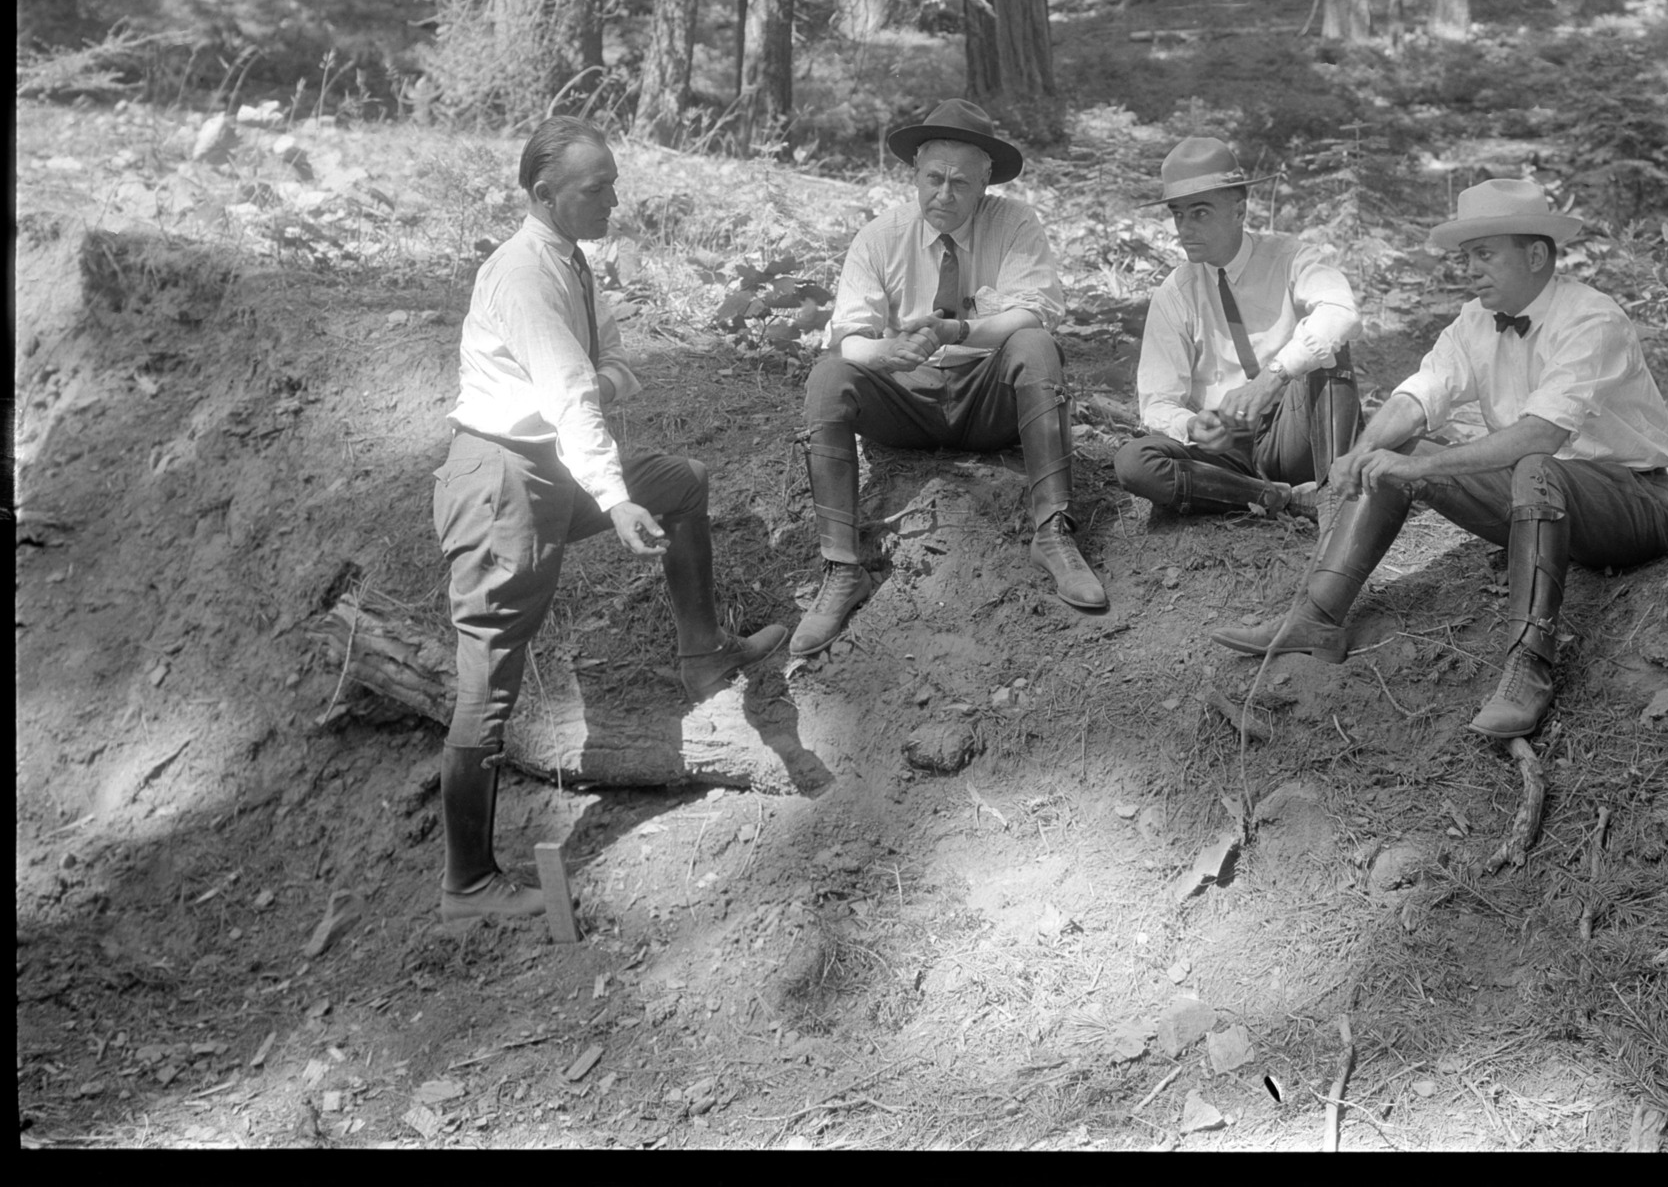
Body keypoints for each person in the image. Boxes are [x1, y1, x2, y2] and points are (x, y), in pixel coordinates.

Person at [432, 116, 786, 921]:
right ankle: (469, 884)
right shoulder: (523, 275)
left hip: (549, 461)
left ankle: (703, 657)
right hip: (502, 482)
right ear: (543, 195)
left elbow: (608, 367)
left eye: (615, 184)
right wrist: (614, 496)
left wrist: (607, 396)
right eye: (598, 190)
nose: (614, 202)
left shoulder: (572, 262)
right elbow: (569, 392)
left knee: (683, 482)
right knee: (489, 685)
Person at [1213, 178, 1668, 740]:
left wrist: (1421, 468)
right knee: (1392, 454)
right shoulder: (1475, 319)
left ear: (1535, 255)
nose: (1471, 270)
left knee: (1527, 468)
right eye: (1468, 257)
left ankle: (1528, 666)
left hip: (1632, 506)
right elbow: (1421, 393)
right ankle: (1316, 617)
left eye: (1485, 254)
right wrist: (1364, 451)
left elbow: (1538, 435)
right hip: (1537, 496)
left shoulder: (1591, 320)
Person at [792, 98, 1106, 658]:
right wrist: (888, 351)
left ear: (986, 181)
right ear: (913, 174)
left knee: (1035, 346)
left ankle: (1053, 532)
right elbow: (848, 337)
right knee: (828, 375)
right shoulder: (880, 236)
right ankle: (842, 568)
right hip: (907, 399)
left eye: (961, 182)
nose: (944, 194)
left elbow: (1033, 313)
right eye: (933, 178)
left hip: (987, 401)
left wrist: (957, 331)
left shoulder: (1013, 223)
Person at [1115, 137, 1362, 519]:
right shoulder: (1176, 292)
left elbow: (1340, 311)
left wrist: (1270, 380)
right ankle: (1273, 497)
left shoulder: (1288, 258)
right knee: (1135, 462)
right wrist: (1194, 424)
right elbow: (1157, 401)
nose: (1184, 228)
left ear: (1239, 210)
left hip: (1292, 433)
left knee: (1330, 350)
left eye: (1199, 213)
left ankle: (1336, 501)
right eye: (1177, 214)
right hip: (1223, 454)